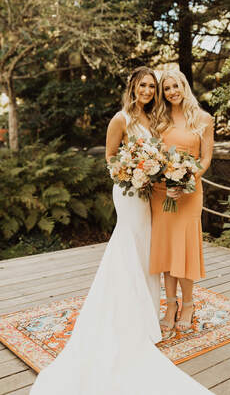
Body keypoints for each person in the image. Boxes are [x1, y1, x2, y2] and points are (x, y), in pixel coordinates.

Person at [30, 66, 211, 394]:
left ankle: (150, 308)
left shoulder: (155, 120)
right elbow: (111, 159)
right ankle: (129, 307)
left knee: (147, 247)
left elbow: (166, 155)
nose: (148, 91)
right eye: (143, 85)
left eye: (151, 87)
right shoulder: (121, 119)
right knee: (129, 242)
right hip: (130, 192)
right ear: (132, 87)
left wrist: (159, 175)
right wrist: (132, 174)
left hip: (152, 193)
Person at [150, 70, 214, 333]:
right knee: (166, 250)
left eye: (176, 86)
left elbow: (206, 157)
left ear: (184, 86)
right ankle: (171, 305)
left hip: (189, 192)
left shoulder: (203, 119)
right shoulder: (159, 119)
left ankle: (188, 304)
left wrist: (186, 182)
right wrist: (164, 181)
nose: (172, 91)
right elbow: (153, 153)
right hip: (161, 192)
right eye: (167, 88)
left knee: (184, 250)